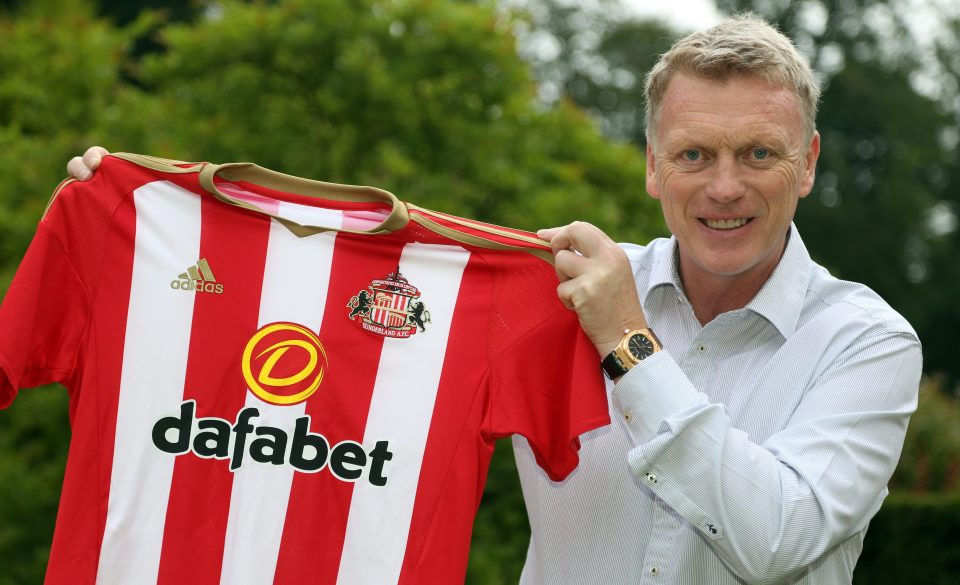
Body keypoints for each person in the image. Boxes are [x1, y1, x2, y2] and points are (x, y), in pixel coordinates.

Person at [67, 14, 921, 585]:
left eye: (759, 155)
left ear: (807, 163)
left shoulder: (867, 343)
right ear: (652, 165)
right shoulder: (550, 291)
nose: (724, 186)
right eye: (695, 155)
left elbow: (777, 538)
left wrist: (628, 343)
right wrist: (146, 212)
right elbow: (344, 309)